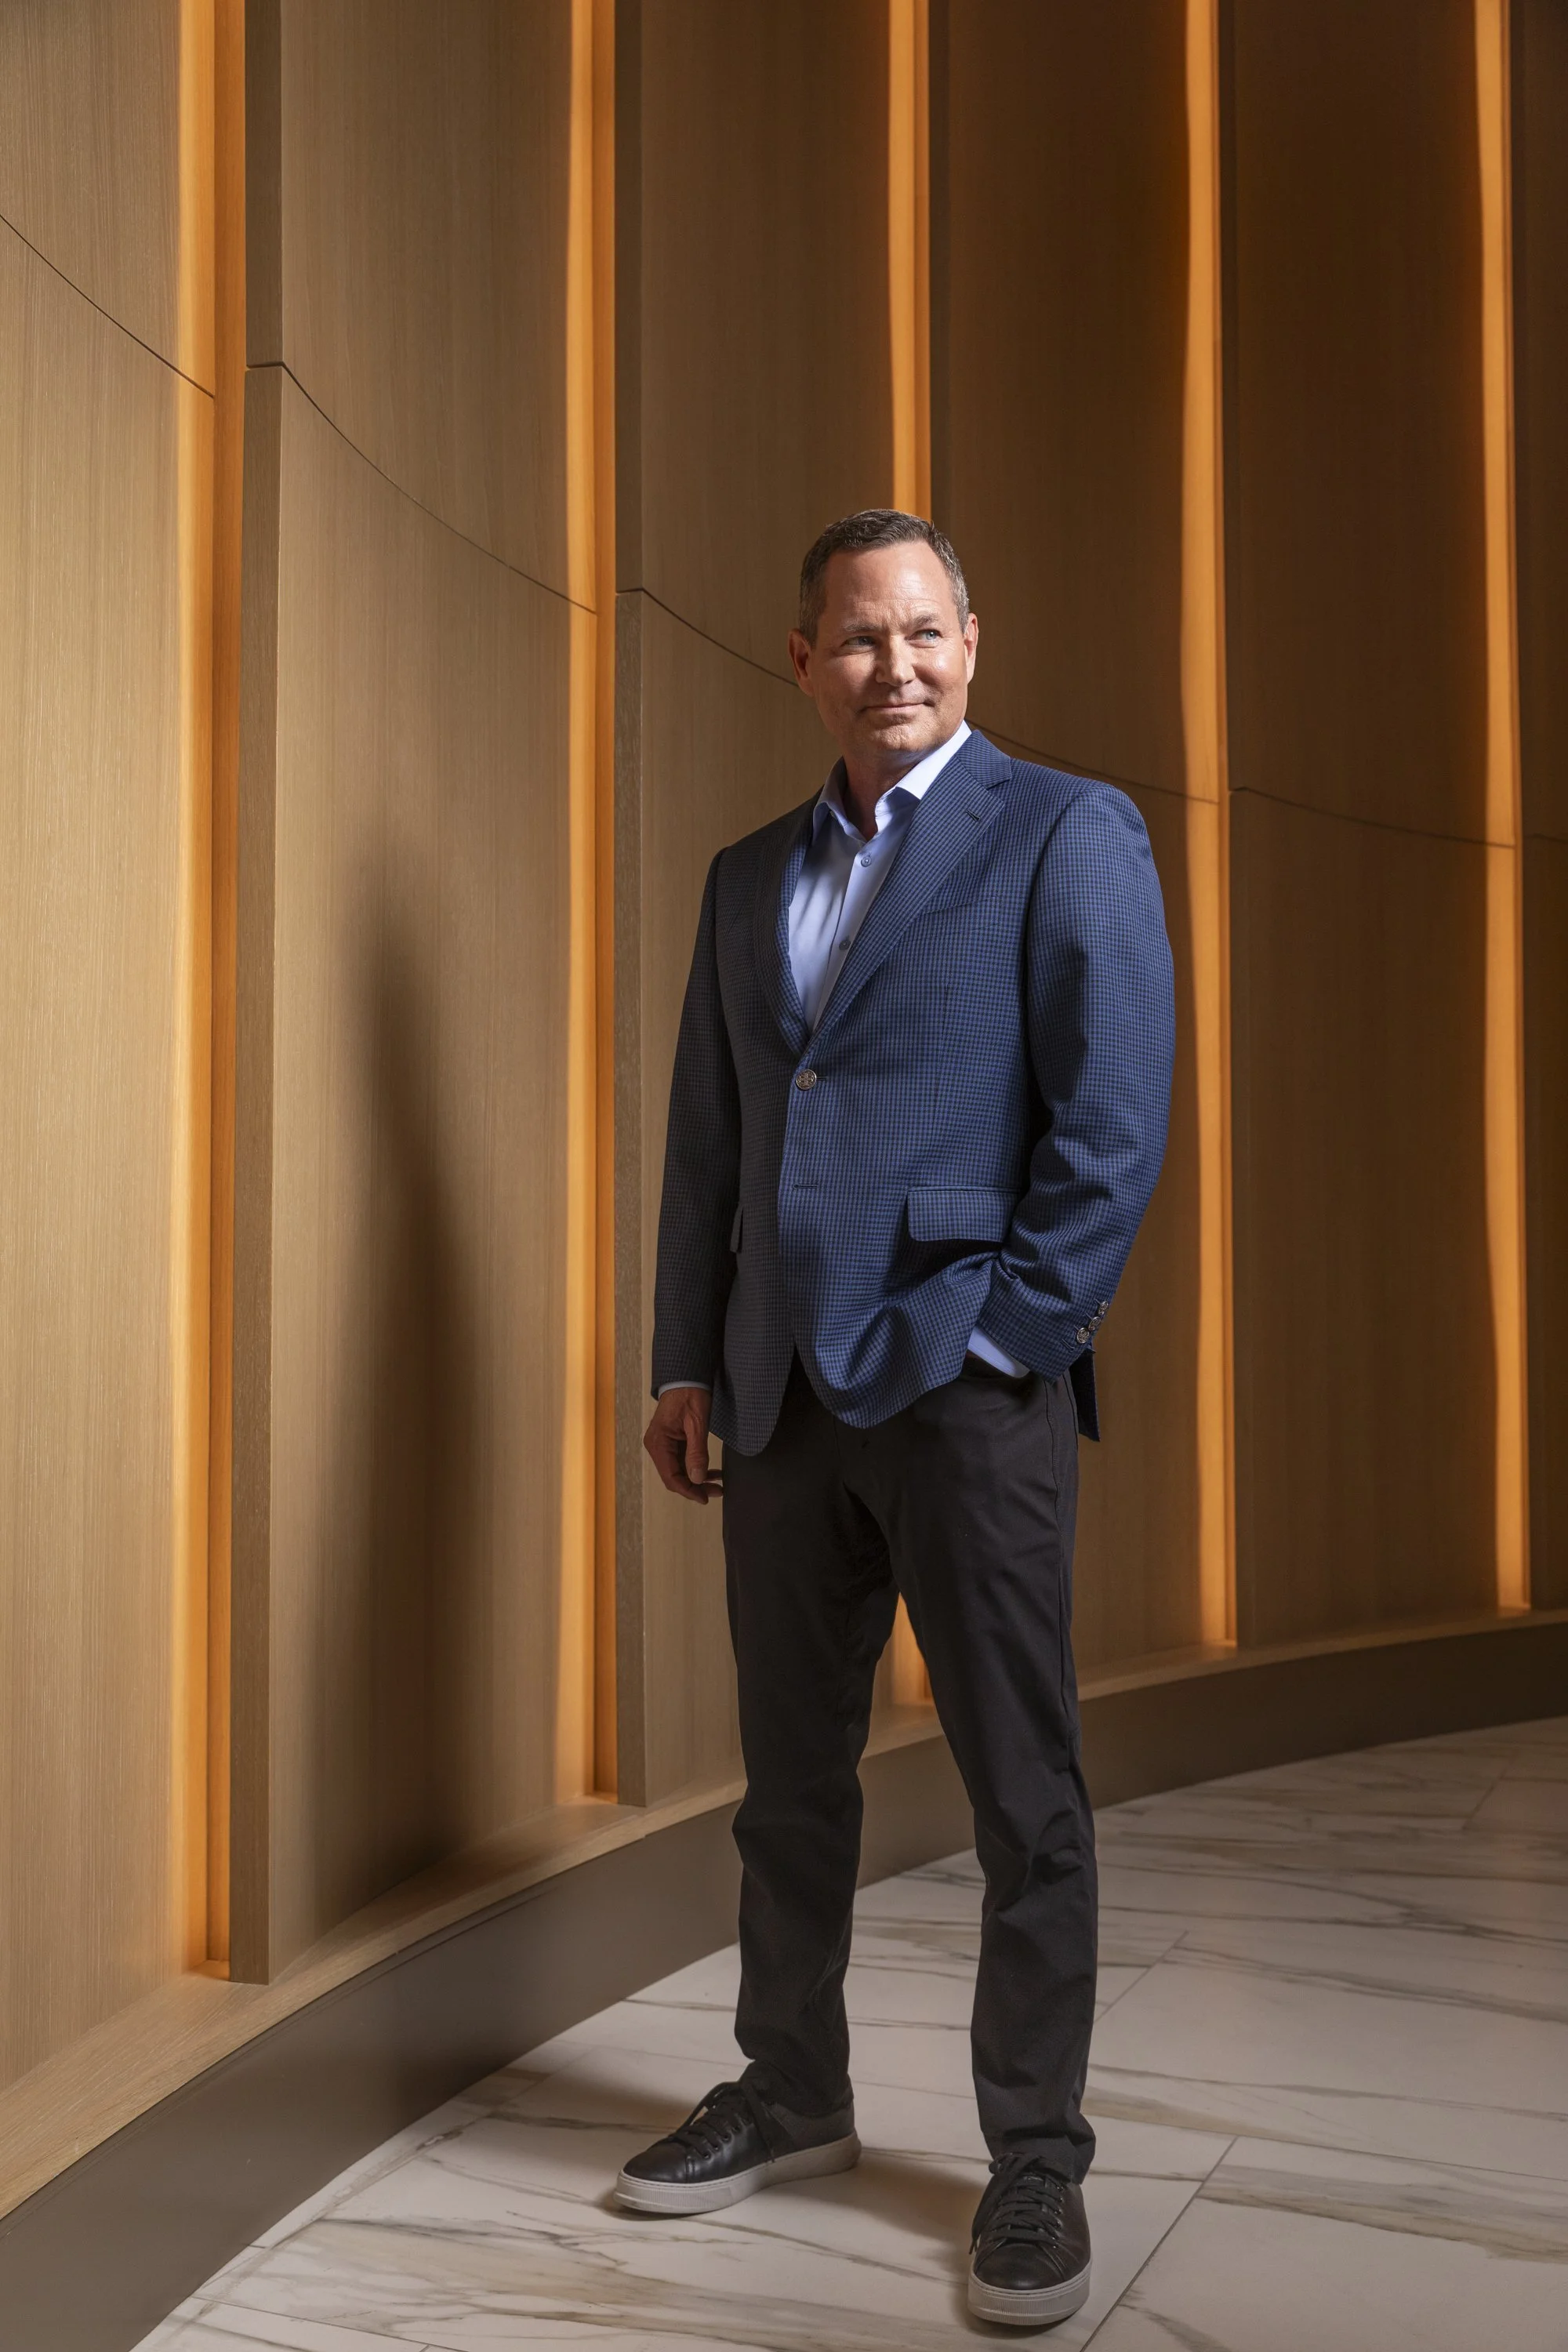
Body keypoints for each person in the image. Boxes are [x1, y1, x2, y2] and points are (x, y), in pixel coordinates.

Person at [616, 508, 1174, 2330]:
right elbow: (711, 1142)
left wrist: (1012, 1333)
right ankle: (791, 2091)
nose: (896, 666)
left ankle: (1037, 2159)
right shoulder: (741, 879)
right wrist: (685, 1358)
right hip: (777, 1394)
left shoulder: (1064, 831)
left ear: (971, 642)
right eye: (859, 639)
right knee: (787, 1783)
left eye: (925, 632)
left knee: (1023, 1790)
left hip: (966, 1390)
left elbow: (1111, 1117)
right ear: (805, 663)